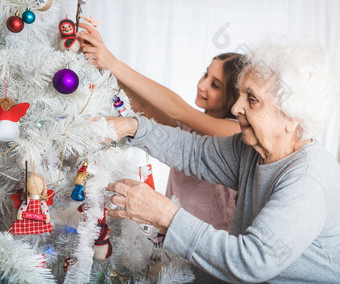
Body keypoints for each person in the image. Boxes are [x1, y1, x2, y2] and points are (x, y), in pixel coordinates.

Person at [104, 37, 340, 283]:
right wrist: (133, 127)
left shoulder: (308, 180)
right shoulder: (251, 149)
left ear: (291, 117)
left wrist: (165, 215)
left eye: (252, 99)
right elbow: (193, 152)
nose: (236, 107)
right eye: (240, 94)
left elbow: (251, 262)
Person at [77, 23, 243, 233]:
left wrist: (112, 62)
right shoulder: (187, 127)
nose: (202, 85)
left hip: (209, 243)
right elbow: (145, 106)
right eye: (205, 75)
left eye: (215, 85)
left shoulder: (236, 133)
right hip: (170, 235)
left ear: (234, 96)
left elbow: (178, 109)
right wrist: (99, 62)